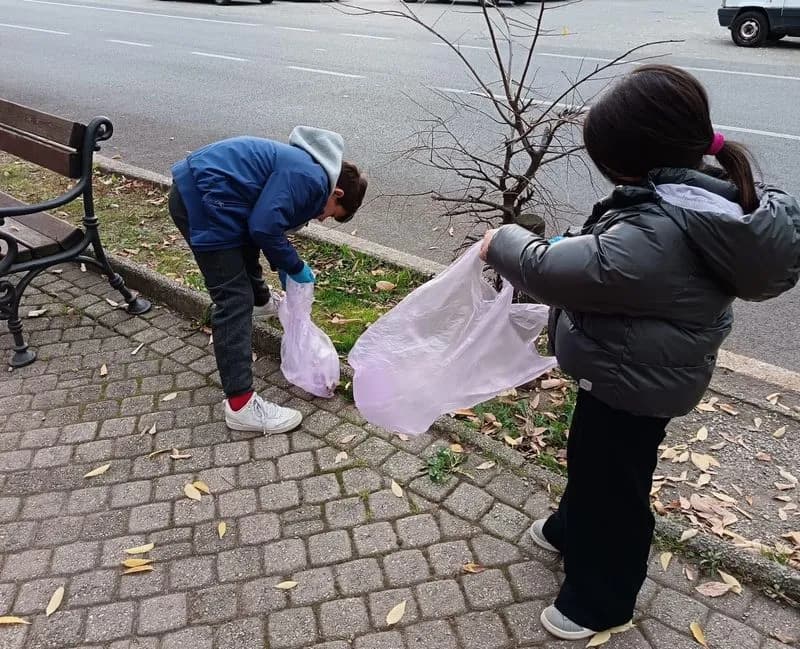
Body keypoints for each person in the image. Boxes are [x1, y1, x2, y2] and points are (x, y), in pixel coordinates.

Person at [480, 64, 800, 641]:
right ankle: (572, 528)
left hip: (632, 382)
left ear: (629, 160)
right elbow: (608, 261)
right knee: (598, 464)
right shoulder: (695, 198)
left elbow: (550, 270)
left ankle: (602, 601)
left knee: (616, 489)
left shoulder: (656, 230)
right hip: (637, 370)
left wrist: (500, 240)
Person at [169, 127, 367, 434]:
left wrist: (286, 268)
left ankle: (260, 303)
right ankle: (241, 406)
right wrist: (295, 266)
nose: (321, 218)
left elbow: (260, 227)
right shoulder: (314, 180)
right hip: (205, 201)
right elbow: (264, 227)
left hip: (201, 194)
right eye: (330, 214)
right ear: (336, 194)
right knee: (234, 299)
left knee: (244, 249)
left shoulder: (305, 166)